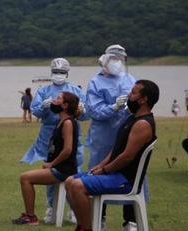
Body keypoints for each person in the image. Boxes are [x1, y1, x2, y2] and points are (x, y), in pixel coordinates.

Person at [66, 80, 159, 231]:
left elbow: (127, 156)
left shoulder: (143, 124)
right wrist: (100, 165)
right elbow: (116, 150)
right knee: (70, 181)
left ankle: (87, 228)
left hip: (126, 180)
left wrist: (104, 171)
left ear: (144, 99)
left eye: (133, 93)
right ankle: (83, 225)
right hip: (114, 175)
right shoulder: (132, 118)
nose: (129, 95)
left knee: (77, 186)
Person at [20, 58, 87, 224]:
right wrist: (43, 106)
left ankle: (74, 209)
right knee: (50, 175)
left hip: (70, 132)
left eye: (62, 72)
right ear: (51, 73)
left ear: (67, 73)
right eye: (56, 72)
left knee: (74, 171)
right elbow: (36, 111)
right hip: (49, 134)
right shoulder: (44, 90)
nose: (59, 75)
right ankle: (52, 207)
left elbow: (86, 114)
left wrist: (83, 110)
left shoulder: (74, 91)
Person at [85, 44, 136, 228]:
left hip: (128, 135)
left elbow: (140, 106)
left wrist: (131, 106)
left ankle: (131, 220)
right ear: (105, 60)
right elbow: (94, 111)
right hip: (103, 137)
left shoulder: (130, 80)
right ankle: (100, 219)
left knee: (130, 173)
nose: (118, 63)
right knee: (100, 174)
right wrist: (113, 107)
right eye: (114, 59)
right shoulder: (95, 82)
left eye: (121, 60)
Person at [12, 92, 81, 225]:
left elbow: (68, 150)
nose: (54, 100)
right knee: (26, 177)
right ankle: (30, 215)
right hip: (58, 167)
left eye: (58, 99)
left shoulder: (67, 123)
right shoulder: (60, 121)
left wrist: (51, 164)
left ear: (65, 105)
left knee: (25, 178)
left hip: (63, 170)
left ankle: (30, 217)